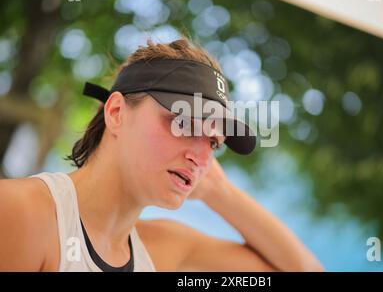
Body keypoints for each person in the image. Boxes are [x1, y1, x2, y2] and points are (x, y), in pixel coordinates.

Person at [0, 38, 324, 272]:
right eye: (183, 123)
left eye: (213, 143)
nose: (201, 156)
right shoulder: (22, 214)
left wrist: (218, 192)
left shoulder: (162, 252)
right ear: (116, 113)